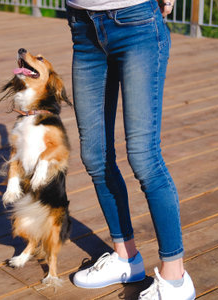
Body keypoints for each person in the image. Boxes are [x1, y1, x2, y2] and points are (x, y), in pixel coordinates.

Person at [65, 0, 196, 299]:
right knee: (95, 156)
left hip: (135, 21)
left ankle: (175, 278)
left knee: (143, 156)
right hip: (83, 26)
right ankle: (126, 257)